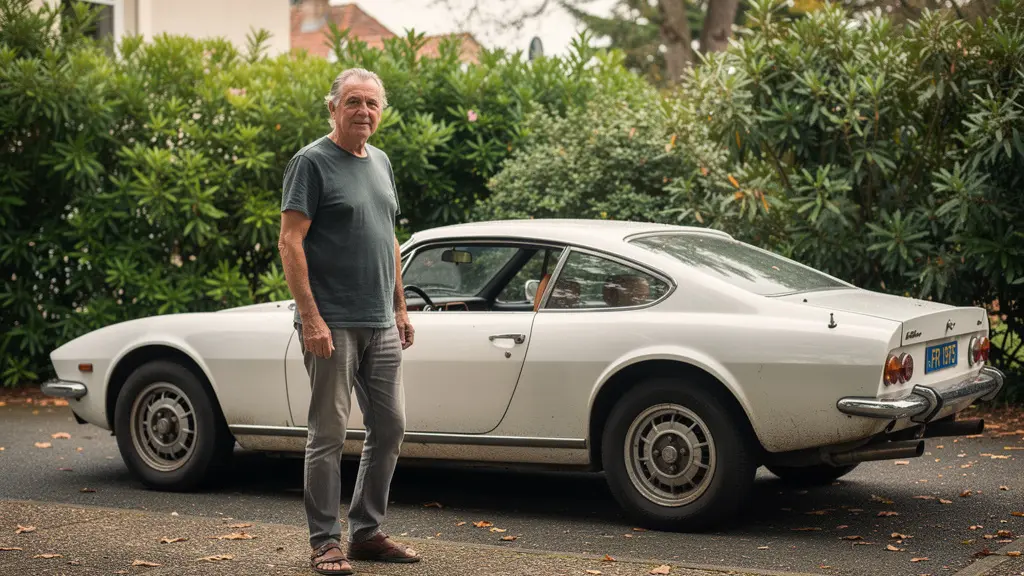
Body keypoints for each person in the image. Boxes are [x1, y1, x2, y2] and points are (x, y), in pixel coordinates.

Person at [277, 67, 418, 575]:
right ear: (333, 107)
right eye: (354, 101)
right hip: (331, 323)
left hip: (380, 321)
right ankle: (324, 542)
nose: (364, 111)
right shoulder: (311, 162)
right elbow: (290, 240)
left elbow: (388, 237)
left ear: (381, 112)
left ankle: (366, 532)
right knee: (329, 434)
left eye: (372, 103)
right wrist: (311, 318)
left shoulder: (380, 161)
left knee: (391, 427)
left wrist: (399, 307)